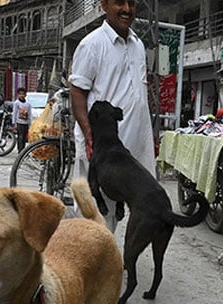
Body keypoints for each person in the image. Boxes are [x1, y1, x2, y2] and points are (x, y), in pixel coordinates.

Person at [69, 0, 156, 232]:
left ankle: (104, 260)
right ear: (104, 5)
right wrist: (89, 134)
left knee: (116, 206)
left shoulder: (137, 45)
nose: (127, 9)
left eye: (132, 3)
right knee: (93, 207)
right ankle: (89, 263)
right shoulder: (92, 45)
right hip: (101, 146)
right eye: (119, 2)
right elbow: (77, 91)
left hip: (127, 146)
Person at [12, 87, 32, 154]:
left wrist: (30, 123)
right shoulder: (16, 103)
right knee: (20, 137)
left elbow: (29, 114)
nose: (22, 95)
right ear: (18, 95)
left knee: (24, 138)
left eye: (23, 94)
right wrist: (14, 123)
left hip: (25, 123)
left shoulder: (28, 104)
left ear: (25, 95)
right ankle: (20, 151)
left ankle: (23, 151)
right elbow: (14, 113)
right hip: (19, 122)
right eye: (20, 94)